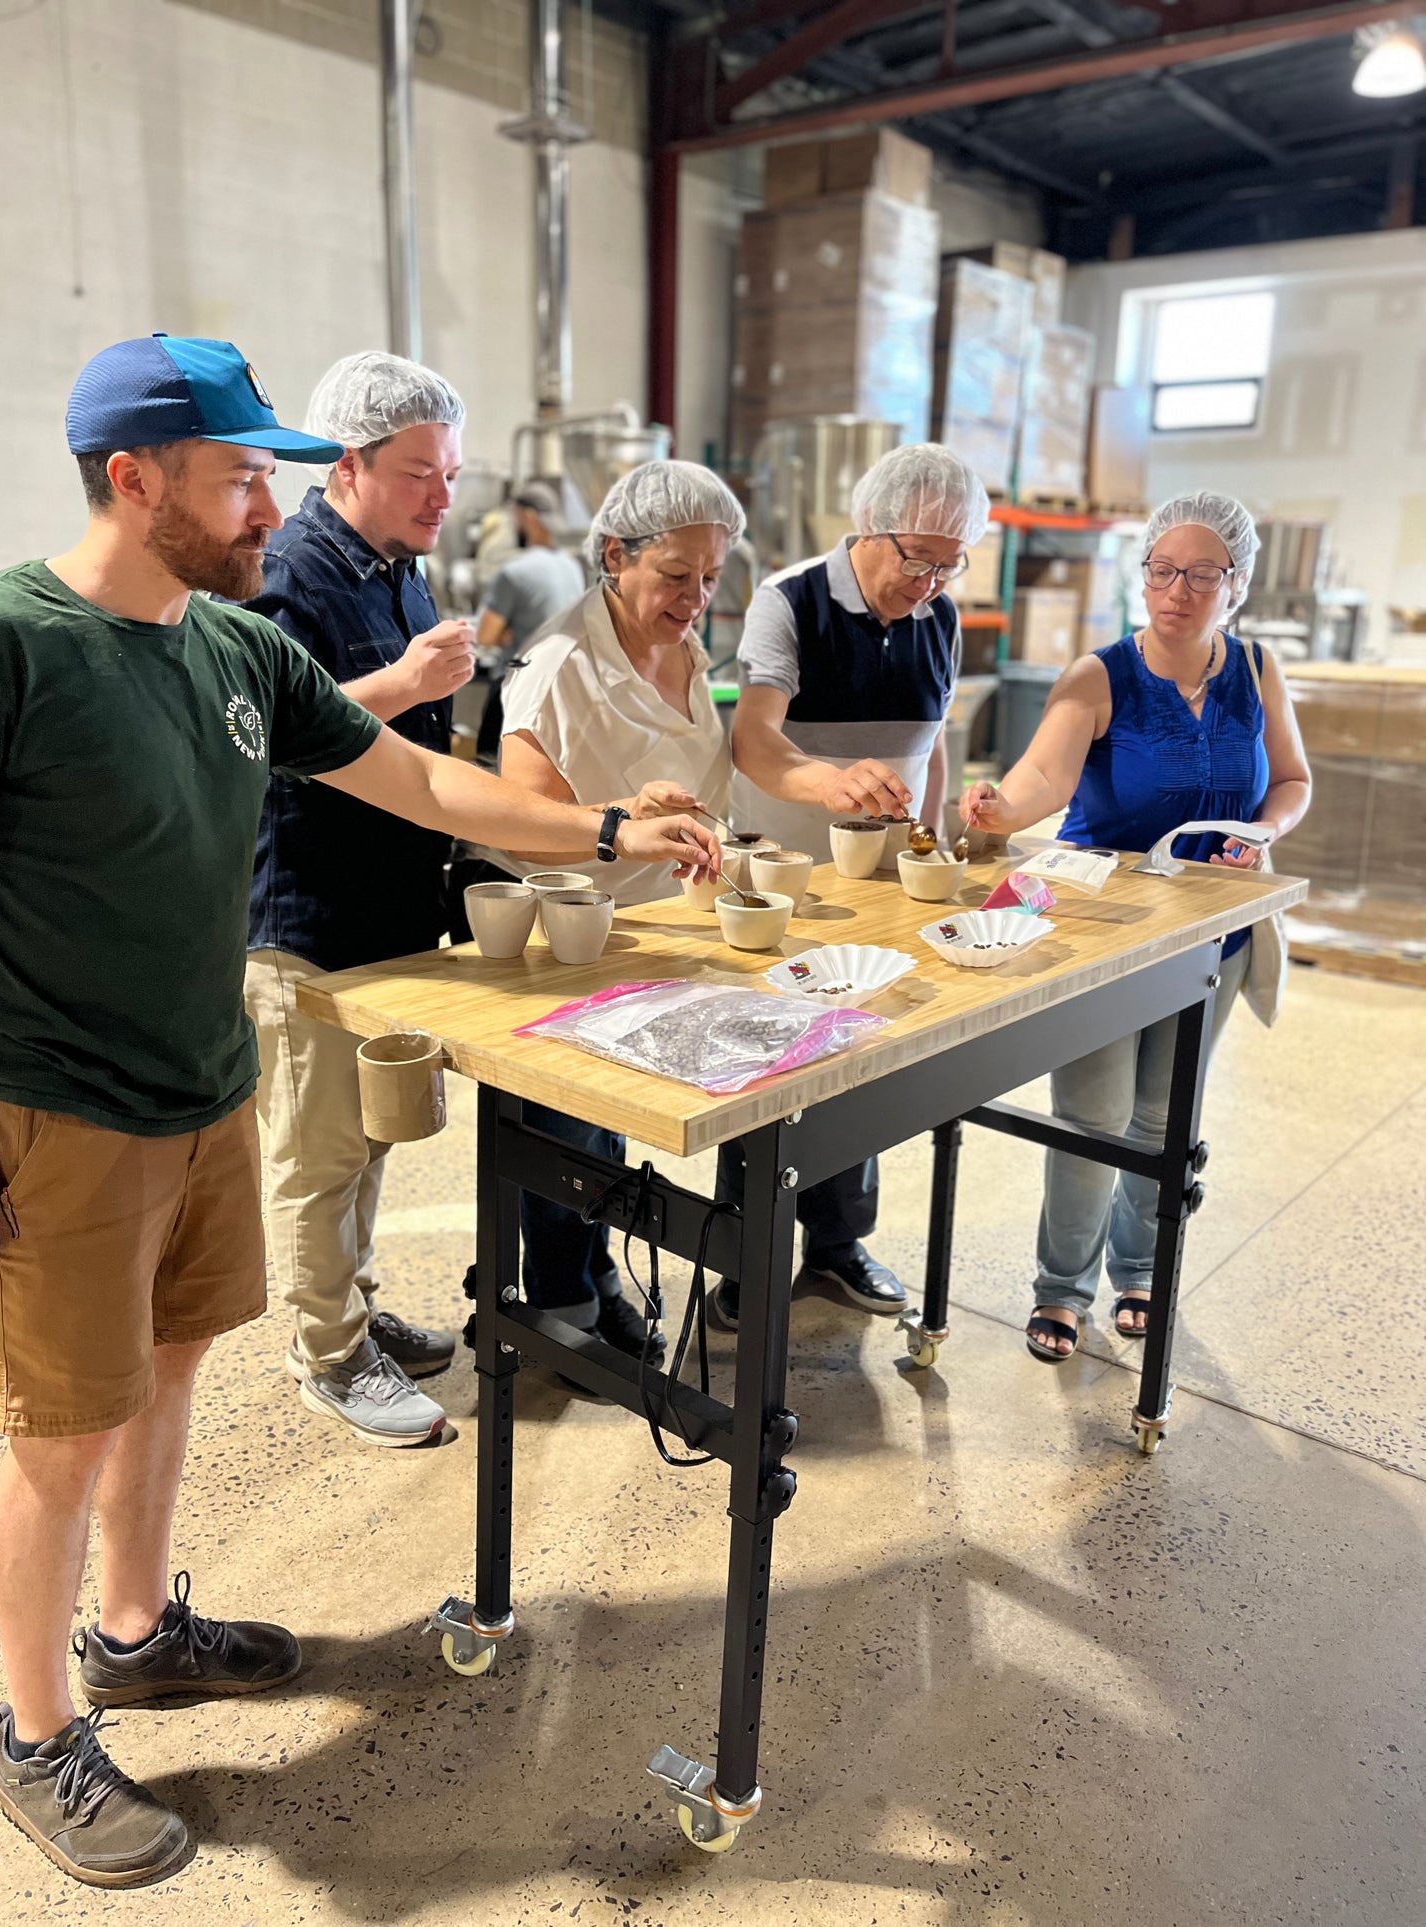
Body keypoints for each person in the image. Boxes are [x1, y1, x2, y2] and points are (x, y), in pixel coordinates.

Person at [0, 333, 718, 1889]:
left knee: (169, 1375)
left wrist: (601, 827)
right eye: (241, 474)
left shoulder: (238, 653)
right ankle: (37, 1730)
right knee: (62, 1426)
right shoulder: (10, 641)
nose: (271, 504)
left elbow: (424, 785)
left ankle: (133, 1636)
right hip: (52, 1107)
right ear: (132, 476)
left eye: (274, 473)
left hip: (202, 1084)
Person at [958, 491, 1312, 1363]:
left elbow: (1292, 780)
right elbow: (1042, 779)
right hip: (1104, 934)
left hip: (1211, 935)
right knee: (1093, 1115)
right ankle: (1059, 1290)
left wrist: (1261, 831)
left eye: (1200, 575)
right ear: (1141, 573)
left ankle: (1141, 1270)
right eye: (1161, 570)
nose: (1177, 590)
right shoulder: (1099, 674)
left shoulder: (1257, 669)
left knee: (1160, 1116)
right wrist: (999, 808)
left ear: (1236, 584)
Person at [244, 350, 478, 1449]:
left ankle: (355, 1309)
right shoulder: (285, 571)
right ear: (348, 463)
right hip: (307, 921)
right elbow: (272, 738)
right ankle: (326, 1354)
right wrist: (408, 682)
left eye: (450, 473)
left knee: (367, 1141)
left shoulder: (400, 567)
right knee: (314, 1150)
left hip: (391, 914)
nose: (443, 496)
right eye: (420, 473)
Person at [709, 443, 992, 1332]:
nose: (931, 582)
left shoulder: (938, 616)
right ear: (866, 530)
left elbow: (930, 740)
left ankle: (835, 1245)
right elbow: (753, 739)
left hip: (879, 889)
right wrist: (827, 782)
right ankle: (741, 1258)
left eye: (950, 565)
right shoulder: (787, 602)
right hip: (787, 886)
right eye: (916, 559)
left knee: (859, 1060)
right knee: (763, 1067)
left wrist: (934, 842)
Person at [468, 460, 745, 1366]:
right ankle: (556, 1314)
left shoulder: (684, 649)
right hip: (560, 933)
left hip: (642, 933)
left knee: (604, 1131)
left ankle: (587, 1287)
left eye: (710, 577)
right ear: (615, 555)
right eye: (675, 576)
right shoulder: (557, 665)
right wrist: (627, 815)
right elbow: (529, 828)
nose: (696, 596)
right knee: (561, 1131)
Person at [472, 480, 586, 765]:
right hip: (561, 692)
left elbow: (485, 636)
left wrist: (501, 634)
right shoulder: (573, 568)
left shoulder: (515, 572)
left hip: (513, 692)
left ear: (529, 517)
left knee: (491, 773)